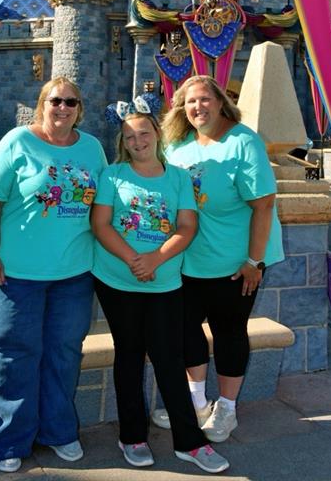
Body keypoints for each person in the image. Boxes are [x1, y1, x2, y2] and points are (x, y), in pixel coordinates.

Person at [90, 95, 229, 474]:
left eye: (144, 133)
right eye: (130, 136)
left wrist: (155, 259)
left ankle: (190, 442)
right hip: (117, 280)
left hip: (165, 280)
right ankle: (132, 436)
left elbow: (187, 226)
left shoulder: (179, 178)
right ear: (123, 142)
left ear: (157, 134)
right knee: (130, 356)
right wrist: (133, 260)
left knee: (170, 359)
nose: (138, 141)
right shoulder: (112, 175)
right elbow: (100, 224)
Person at [0, 76, 107, 473]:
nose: (62, 108)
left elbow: (103, 204)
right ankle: (10, 441)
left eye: (71, 102)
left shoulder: (92, 148)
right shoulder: (18, 141)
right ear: (42, 104)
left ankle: (59, 432)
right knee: (14, 355)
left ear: (79, 109)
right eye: (55, 101)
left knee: (64, 355)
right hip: (15, 274)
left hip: (74, 274)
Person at [152, 75, 284, 443]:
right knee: (183, 328)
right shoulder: (177, 142)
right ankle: (195, 402)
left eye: (205, 99)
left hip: (236, 262)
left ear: (221, 102)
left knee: (228, 331)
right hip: (189, 259)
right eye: (190, 102)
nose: (198, 107)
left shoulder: (244, 142)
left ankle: (226, 409)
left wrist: (254, 261)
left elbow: (264, 205)